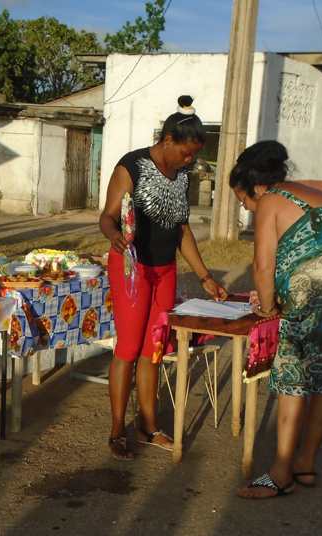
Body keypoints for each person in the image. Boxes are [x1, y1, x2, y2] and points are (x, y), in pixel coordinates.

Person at [230, 140, 322, 499]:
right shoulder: (316, 194)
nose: (247, 208)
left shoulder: (270, 200)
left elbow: (262, 265)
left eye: (243, 200)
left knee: (293, 377)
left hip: (314, 291)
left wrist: (267, 308)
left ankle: (281, 472)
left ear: (255, 186)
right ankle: (305, 463)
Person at [99, 95, 228, 460]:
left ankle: (148, 425)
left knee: (154, 349)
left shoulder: (182, 176)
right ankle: (115, 430)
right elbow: (108, 216)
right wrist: (114, 237)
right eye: (187, 153)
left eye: (194, 155)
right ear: (168, 140)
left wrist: (204, 276)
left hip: (165, 270)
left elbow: (181, 228)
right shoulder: (132, 166)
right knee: (128, 348)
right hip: (132, 267)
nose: (190, 161)